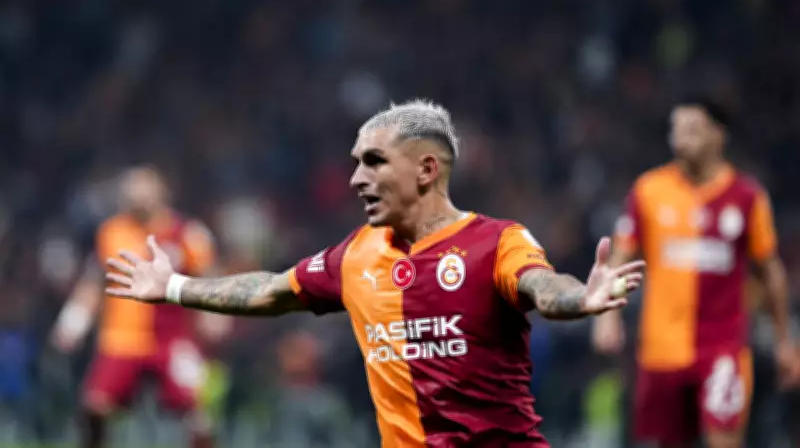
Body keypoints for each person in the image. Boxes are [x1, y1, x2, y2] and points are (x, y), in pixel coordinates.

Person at [105, 99, 646, 447]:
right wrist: (173, 286)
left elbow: (543, 286)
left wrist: (581, 297)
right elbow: (269, 290)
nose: (356, 180)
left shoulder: (496, 242)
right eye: (355, 163)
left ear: (426, 169)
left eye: (373, 162)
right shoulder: (357, 254)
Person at [592, 96, 800, 448]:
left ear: (718, 135)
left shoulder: (746, 197)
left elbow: (770, 271)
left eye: (692, 130)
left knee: (724, 440)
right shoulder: (649, 191)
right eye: (676, 130)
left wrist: (784, 342)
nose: (680, 139)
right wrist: (606, 316)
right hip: (661, 348)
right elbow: (621, 254)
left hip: (723, 347)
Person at [51, 166, 223, 448]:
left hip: (173, 338)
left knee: (199, 416)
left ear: (162, 192)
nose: (137, 196)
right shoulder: (112, 232)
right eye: (131, 190)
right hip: (122, 338)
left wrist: (213, 313)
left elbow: (207, 275)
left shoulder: (187, 233)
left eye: (144, 189)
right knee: (94, 407)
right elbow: (94, 280)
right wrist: (73, 321)